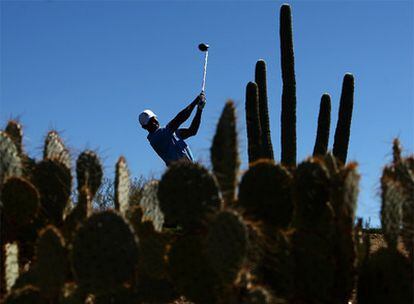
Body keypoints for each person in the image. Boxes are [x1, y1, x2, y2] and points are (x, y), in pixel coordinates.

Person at [139, 92, 206, 166]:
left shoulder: (170, 133)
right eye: (150, 122)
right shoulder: (157, 138)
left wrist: (199, 109)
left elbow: (192, 131)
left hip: (190, 169)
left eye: (154, 119)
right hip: (181, 173)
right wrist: (196, 101)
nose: (154, 122)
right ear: (145, 127)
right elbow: (180, 118)